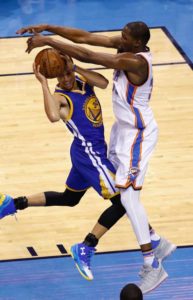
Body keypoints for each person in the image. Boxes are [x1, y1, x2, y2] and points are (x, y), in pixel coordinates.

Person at [13, 23, 176, 293]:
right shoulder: (127, 48)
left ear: (136, 44)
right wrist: (48, 28)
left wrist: (49, 44)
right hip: (120, 134)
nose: (119, 40)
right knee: (109, 197)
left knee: (127, 198)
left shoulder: (134, 61)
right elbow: (85, 37)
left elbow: (87, 56)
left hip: (138, 134)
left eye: (124, 38)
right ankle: (157, 242)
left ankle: (151, 263)